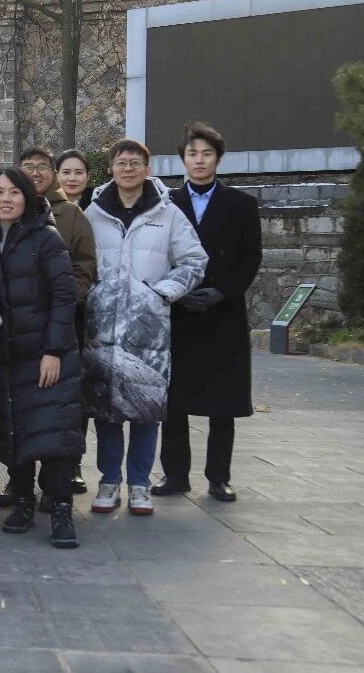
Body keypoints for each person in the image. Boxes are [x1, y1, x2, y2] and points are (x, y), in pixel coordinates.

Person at [83, 139, 207, 517]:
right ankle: (107, 481)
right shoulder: (93, 213)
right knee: (105, 410)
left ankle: (139, 484)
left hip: (148, 331)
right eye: (121, 163)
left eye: (135, 163)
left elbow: (194, 261)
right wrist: (95, 293)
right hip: (101, 328)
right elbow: (79, 261)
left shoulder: (168, 214)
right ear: (112, 169)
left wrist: (160, 294)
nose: (128, 169)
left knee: (145, 409)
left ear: (147, 169)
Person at [155, 122, 262, 504]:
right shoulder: (165, 203)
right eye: (192, 154)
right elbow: (158, 255)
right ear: (182, 159)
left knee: (223, 401)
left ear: (218, 158)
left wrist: (220, 292)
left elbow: (251, 259)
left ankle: (219, 478)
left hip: (223, 315)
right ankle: (175, 476)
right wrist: (176, 293)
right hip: (179, 314)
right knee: (174, 401)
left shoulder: (241, 204)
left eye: (206, 154)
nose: (199, 160)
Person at [0, 168, 86, 548]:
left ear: (27, 197)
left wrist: (54, 350)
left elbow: (64, 296)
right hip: (5, 356)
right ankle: (22, 500)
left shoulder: (46, 238)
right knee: (14, 430)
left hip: (44, 355)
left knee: (54, 431)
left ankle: (60, 507)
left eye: (14, 192)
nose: (5, 199)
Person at [0, 146, 97, 502]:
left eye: (42, 167)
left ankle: (60, 492)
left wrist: (60, 306)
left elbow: (82, 271)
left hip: (55, 332)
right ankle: (19, 488)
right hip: (13, 341)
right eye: (28, 167)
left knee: (56, 415)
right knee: (16, 417)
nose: (35, 173)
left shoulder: (65, 219)